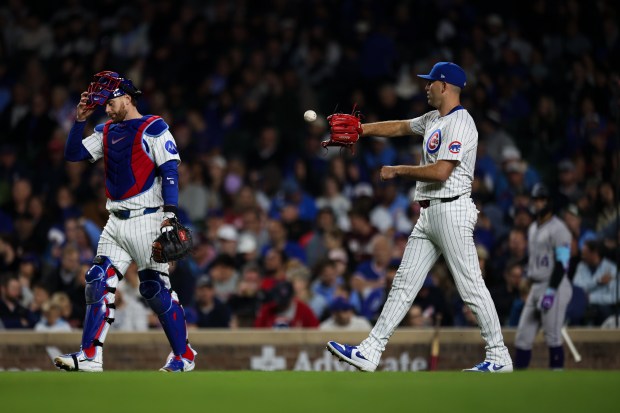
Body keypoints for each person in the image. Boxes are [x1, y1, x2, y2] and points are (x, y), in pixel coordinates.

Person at [327, 62, 513, 372]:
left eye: (430, 82)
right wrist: (362, 130)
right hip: (430, 213)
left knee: (470, 287)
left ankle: (499, 355)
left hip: (452, 208)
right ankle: (371, 350)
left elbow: (442, 172)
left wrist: (399, 170)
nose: (425, 87)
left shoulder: (461, 122)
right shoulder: (432, 118)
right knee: (403, 283)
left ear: (444, 87)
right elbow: (400, 126)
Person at [53, 71, 196, 372]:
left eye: (110, 102)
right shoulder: (106, 130)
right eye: (104, 104)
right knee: (96, 280)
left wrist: (170, 214)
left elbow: (170, 170)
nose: (106, 108)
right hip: (115, 220)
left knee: (154, 290)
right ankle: (90, 355)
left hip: (148, 218)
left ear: (127, 99)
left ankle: (183, 355)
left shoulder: (153, 126)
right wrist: (79, 121)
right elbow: (73, 153)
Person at [514, 183, 573, 370]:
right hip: (537, 285)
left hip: (555, 284)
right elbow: (535, 259)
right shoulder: (533, 228)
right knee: (523, 336)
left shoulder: (559, 229)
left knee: (552, 335)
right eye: (536, 200)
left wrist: (551, 290)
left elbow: (562, 263)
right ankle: (519, 381)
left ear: (549, 202)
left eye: (542, 200)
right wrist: (527, 276)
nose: (538, 204)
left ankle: (557, 379)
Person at [572, 239, 618, 325]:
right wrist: (597, 282)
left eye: (585, 253)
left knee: (604, 310)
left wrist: (590, 298)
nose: (582, 256)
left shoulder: (612, 269)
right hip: (583, 304)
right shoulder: (581, 266)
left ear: (594, 253)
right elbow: (577, 287)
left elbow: (614, 297)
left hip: (605, 308)